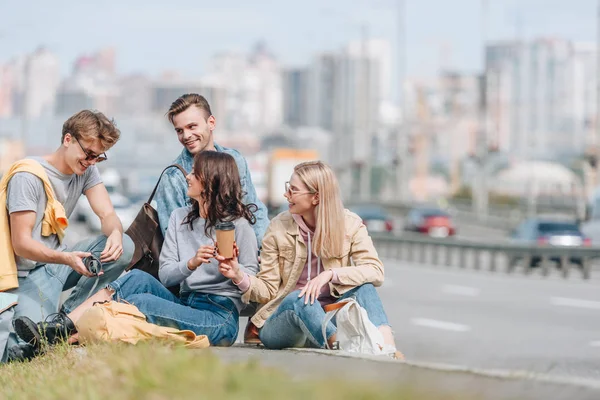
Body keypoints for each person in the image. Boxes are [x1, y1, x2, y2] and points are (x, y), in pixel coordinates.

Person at [13, 151, 259, 351]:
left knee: (140, 302)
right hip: (185, 302)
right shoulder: (179, 218)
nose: (188, 176)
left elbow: (252, 285)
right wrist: (192, 263)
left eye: (195, 173)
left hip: (219, 315)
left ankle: (58, 338)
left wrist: (234, 272)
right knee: (136, 279)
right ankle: (62, 325)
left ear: (211, 180)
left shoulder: (238, 225)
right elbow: (167, 277)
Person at [218, 161, 402, 358]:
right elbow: (267, 290)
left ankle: (388, 349)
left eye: (294, 190)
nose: (286, 195)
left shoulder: (350, 224)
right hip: (283, 322)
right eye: (288, 188)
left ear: (316, 197)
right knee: (301, 298)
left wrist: (330, 275)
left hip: (328, 317)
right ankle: (340, 347)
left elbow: (375, 270)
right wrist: (238, 275)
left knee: (364, 287)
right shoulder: (278, 227)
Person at [2, 110, 135, 362]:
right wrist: (65, 259)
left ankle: (63, 322)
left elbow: (107, 214)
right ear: (67, 139)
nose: (91, 162)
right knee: (26, 347)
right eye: (88, 154)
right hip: (23, 274)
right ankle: (47, 330)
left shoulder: (85, 171)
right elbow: (21, 245)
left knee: (125, 247)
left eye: (98, 157)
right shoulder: (27, 176)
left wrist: (116, 233)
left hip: (55, 265)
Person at [154, 93, 268, 245]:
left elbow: (253, 210)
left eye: (192, 126)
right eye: (179, 130)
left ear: (211, 123)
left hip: (244, 258)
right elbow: (174, 237)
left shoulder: (235, 160)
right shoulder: (173, 177)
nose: (186, 135)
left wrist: (262, 253)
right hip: (201, 262)